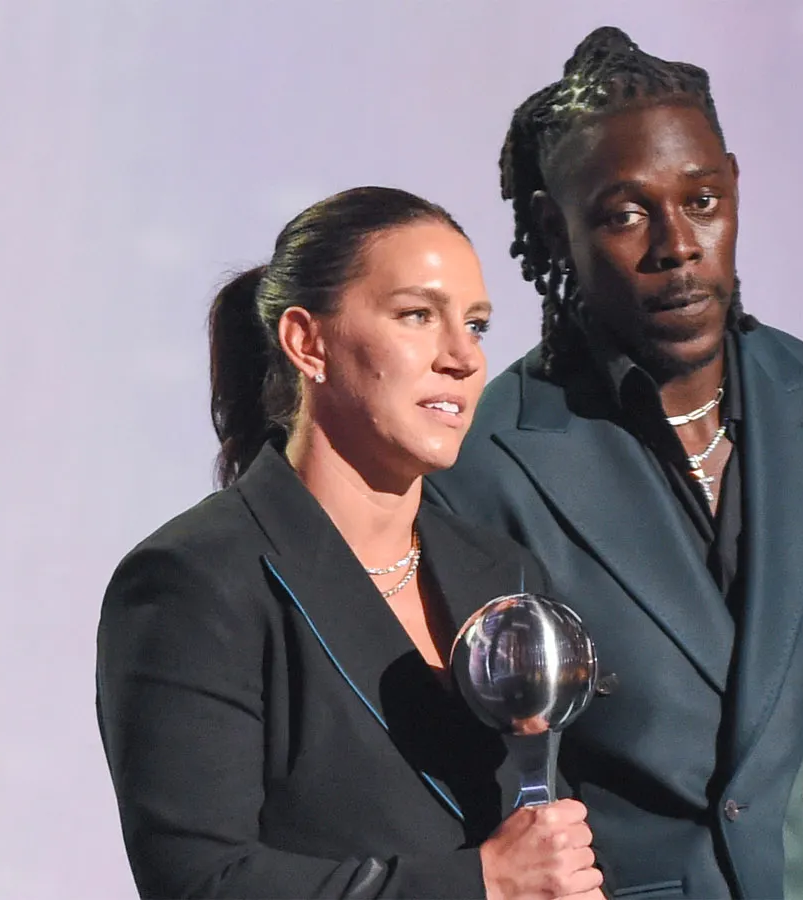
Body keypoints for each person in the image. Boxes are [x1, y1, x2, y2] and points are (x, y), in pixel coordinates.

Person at [424, 29, 803, 900]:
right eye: (626, 214)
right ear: (555, 227)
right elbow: (488, 794)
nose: (678, 244)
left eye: (701, 200)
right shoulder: (484, 461)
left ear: (734, 188)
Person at [95, 186, 604, 900]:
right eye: (418, 315)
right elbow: (200, 882)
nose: (462, 357)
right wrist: (478, 885)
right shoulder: (194, 580)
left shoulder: (500, 570)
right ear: (309, 342)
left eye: (478, 325)